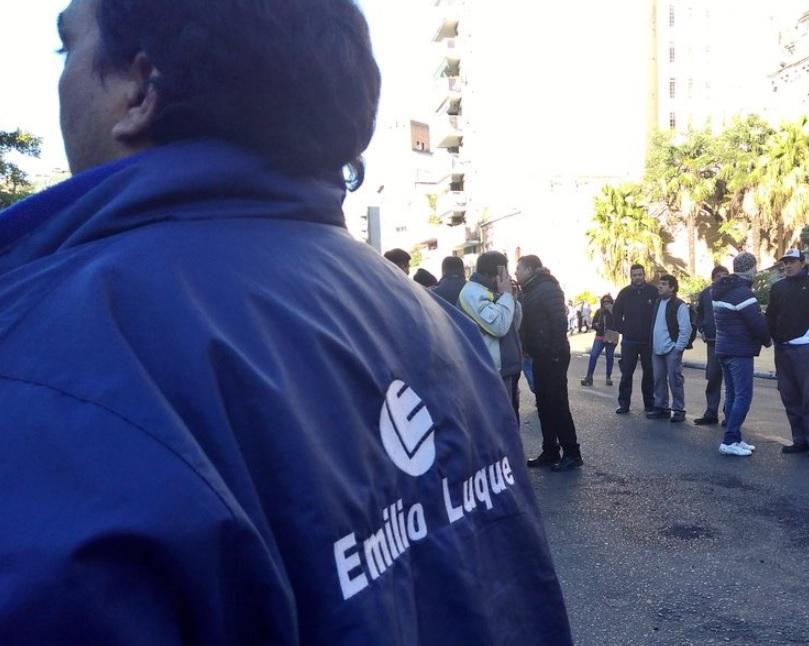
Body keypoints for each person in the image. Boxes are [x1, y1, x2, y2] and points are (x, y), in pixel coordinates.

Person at [0, 1, 572, 642]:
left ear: (139, 87)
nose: (60, 75)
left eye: (64, 49)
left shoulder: (57, 361)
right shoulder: (428, 318)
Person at [516, 255, 583, 472]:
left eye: (519, 268)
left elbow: (559, 321)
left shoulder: (547, 287)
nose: (516, 273)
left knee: (558, 405)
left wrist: (554, 351)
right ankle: (550, 450)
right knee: (543, 405)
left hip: (553, 355)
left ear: (530, 268)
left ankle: (572, 453)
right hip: (538, 355)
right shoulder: (529, 290)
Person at [766, 249, 809, 457]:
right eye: (785, 262)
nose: (788, 266)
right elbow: (771, 315)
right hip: (783, 349)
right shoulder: (777, 287)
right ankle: (799, 439)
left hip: (805, 349)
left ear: (803, 263)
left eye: (792, 262)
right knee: (788, 394)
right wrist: (773, 338)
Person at [712, 252, 772, 456]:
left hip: (724, 348)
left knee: (731, 393)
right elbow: (756, 322)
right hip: (740, 350)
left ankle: (735, 437)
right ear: (750, 268)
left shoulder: (722, 290)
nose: (756, 271)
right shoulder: (743, 294)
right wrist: (767, 340)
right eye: (755, 267)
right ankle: (729, 439)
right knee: (743, 395)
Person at [458, 252, 523, 417]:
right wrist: (506, 296)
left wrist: (512, 299)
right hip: (490, 371)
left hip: (506, 369)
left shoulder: (492, 291)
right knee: (499, 423)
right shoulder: (472, 293)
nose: (508, 277)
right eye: (504, 272)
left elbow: (513, 326)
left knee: (510, 421)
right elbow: (499, 326)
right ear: (495, 273)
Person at [612, 264, 659, 415]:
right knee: (626, 374)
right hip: (629, 341)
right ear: (631, 276)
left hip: (647, 341)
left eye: (640, 274)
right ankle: (624, 404)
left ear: (644, 275)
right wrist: (623, 329)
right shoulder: (624, 293)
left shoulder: (653, 292)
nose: (637, 277)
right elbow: (616, 314)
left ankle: (649, 404)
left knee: (649, 373)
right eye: (634, 275)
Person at [647, 275, 692, 423]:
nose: (659, 286)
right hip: (657, 349)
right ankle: (661, 407)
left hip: (671, 349)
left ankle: (678, 409)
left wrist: (678, 348)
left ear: (672, 287)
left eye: (664, 284)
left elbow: (686, 328)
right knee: (659, 379)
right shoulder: (657, 302)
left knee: (675, 380)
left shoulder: (679, 305)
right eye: (659, 284)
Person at [694, 265, 730, 426]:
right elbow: (699, 313)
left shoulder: (733, 293)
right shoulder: (705, 294)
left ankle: (730, 414)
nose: (721, 279)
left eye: (724, 276)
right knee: (713, 378)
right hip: (713, 342)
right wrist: (701, 328)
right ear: (713, 278)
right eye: (718, 276)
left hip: (730, 343)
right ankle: (711, 411)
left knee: (731, 380)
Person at [581, 295, 616, 387]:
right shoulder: (599, 312)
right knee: (593, 355)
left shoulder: (615, 312)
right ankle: (589, 376)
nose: (606, 303)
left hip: (611, 335)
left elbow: (618, 324)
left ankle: (608, 377)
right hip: (600, 336)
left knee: (609, 357)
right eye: (604, 302)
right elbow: (593, 324)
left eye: (608, 302)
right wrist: (596, 325)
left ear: (611, 302)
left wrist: (611, 312)